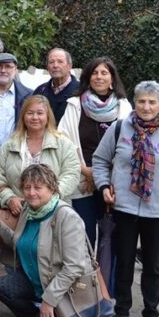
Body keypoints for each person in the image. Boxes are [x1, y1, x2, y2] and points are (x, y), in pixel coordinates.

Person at [93, 81, 159, 317]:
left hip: (157, 212)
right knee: (123, 262)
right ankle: (122, 311)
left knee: (153, 266)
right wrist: (104, 185)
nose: (146, 107)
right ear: (134, 103)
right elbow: (100, 160)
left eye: (152, 102)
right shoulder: (119, 129)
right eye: (142, 101)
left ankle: (150, 315)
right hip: (123, 209)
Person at [0, 164, 103, 317]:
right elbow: (21, 244)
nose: (31, 193)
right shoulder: (29, 210)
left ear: (51, 189)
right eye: (27, 187)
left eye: (38, 188)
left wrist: (49, 301)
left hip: (66, 293)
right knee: (0, 287)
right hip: (39, 281)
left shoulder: (66, 217)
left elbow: (74, 267)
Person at [57, 57, 133, 243]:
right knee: (84, 235)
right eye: (95, 73)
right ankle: (86, 272)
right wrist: (87, 172)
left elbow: (128, 144)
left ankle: (107, 273)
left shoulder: (124, 107)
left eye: (104, 73)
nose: (99, 77)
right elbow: (64, 140)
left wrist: (101, 177)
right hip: (83, 179)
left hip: (113, 180)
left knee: (112, 236)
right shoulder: (75, 104)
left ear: (112, 79)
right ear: (88, 77)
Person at [0, 95, 81, 230]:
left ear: (48, 116)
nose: (34, 117)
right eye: (30, 113)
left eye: (40, 113)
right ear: (23, 116)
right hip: (17, 216)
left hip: (54, 215)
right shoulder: (9, 145)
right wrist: (9, 198)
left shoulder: (63, 143)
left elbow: (72, 174)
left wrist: (49, 198)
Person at [31, 48, 79, 123]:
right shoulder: (40, 91)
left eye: (60, 62)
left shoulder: (81, 91)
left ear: (69, 66)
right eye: (51, 62)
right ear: (47, 67)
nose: (55, 65)